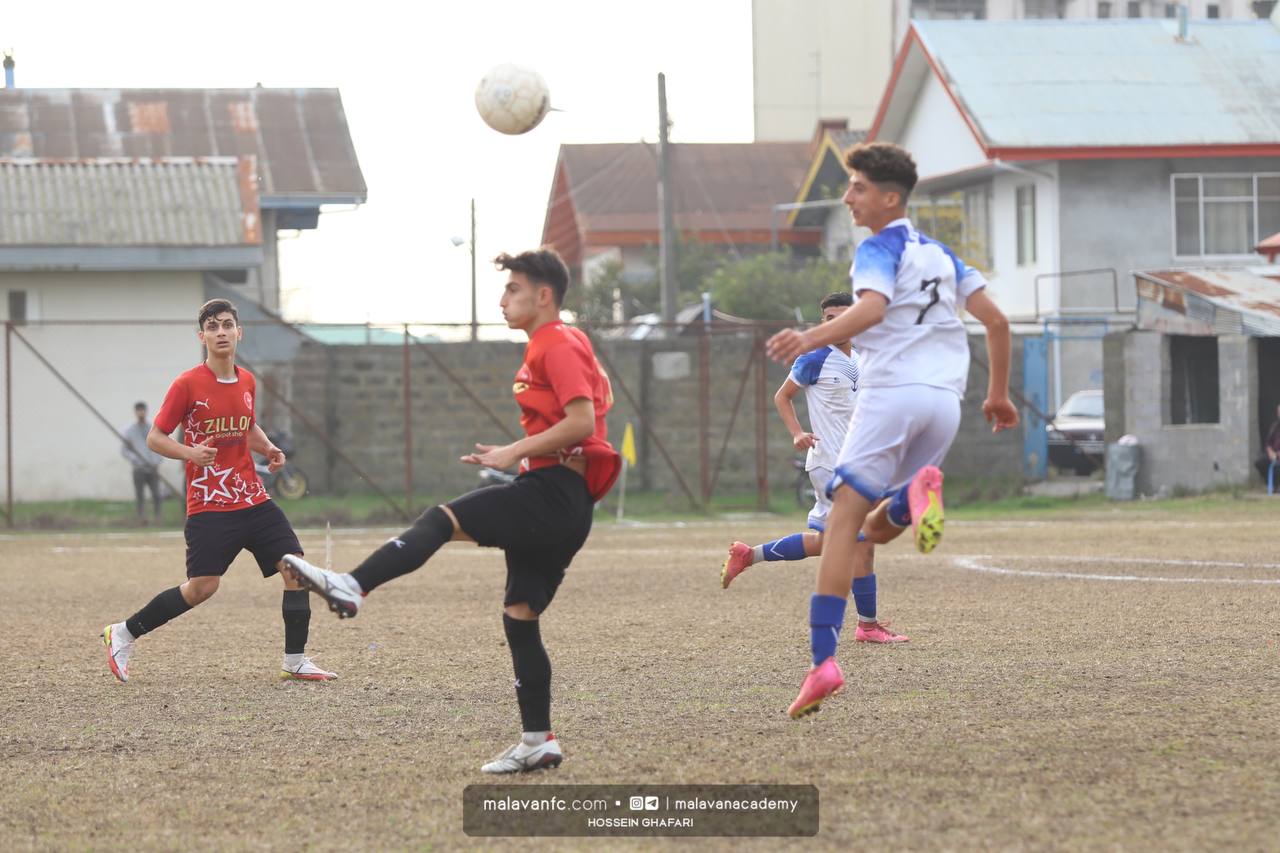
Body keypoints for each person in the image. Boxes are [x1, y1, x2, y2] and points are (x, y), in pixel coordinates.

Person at [281, 248, 621, 774]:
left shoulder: (554, 341)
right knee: (520, 616)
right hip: (564, 497)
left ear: (544, 295)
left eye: (513, 289)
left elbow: (582, 423)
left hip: (553, 493)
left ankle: (353, 585)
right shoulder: (563, 342)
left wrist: (514, 453)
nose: (504, 299)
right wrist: (519, 454)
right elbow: (589, 412)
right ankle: (538, 740)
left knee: (441, 520)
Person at [767, 142, 1019, 719]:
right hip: (944, 405)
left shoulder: (877, 249)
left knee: (841, 528)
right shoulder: (943, 255)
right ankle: (912, 498)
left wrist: (809, 337)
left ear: (889, 197)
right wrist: (998, 395)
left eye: (857, 187)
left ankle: (823, 663)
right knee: (871, 534)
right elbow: (997, 322)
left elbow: (873, 310)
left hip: (890, 399)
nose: (848, 196)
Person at [101, 298, 336, 684]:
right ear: (202, 336)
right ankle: (123, 632)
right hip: (209, 505)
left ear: (239, 332)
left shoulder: (246, 380)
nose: (221, 332)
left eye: (227, 324)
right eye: (212, 327)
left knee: (295, 568)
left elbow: (247, 425)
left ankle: (295, 660)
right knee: (201, 588)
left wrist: (269, 448)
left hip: (253, 498)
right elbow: (155, 438)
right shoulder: (187, 384)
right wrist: (190, 452)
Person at [720, 292, 905, 644]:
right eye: (828, 318)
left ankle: (749, 554)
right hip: (828, 462)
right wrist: (797, 433)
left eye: (842, 316)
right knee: (861, 540)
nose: (834, 323)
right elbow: (782, 396)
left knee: (833, 540)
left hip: (858, 462)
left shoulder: (865, 359)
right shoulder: (814, 358)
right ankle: (867, 626)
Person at [121, 401, 165, 523]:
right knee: (140, 495)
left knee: (157, 494)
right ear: (135, 412)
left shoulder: (154, 427)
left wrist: (157, 460)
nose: (141, 412)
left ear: (146, 411)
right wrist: (135, 459)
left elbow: (163, 444)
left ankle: (158, 518)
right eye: (138, 410)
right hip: (138, 468)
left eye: (143, 410)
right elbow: (124, 450)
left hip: (153, 467)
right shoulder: (129, 430)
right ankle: (141, 519)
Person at [1255, 404, 1280, 485]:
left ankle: (1276, 485)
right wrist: (1271, 453)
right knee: (1259, 462)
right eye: (1279, 412)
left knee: (1277, 468)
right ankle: (1270, 484)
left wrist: (1277, 455)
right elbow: (1268, 444)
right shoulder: (1275, 426)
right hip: (1273, 455)